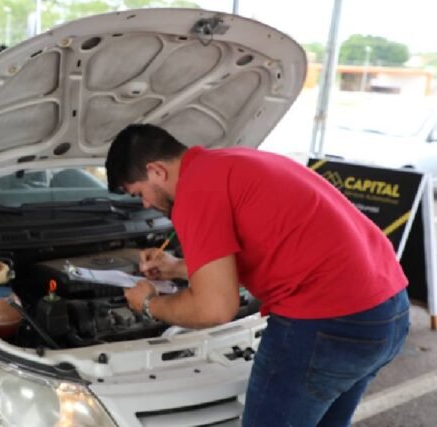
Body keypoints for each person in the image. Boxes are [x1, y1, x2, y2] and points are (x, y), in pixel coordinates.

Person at [105, 123, 410, 427]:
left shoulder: (195, 192)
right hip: (388, 312)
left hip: (327, 325)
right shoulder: (229, 163)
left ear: (156, 170)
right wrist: (178, 268)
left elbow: (215, 309)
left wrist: (149, 304)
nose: (145, 204)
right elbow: (272, 249)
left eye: (139, 193)